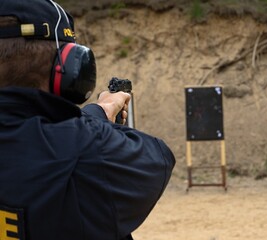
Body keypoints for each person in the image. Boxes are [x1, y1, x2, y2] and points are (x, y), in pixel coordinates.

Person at [0, 0, 175, 240]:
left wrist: (96, 114)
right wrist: (100, 114)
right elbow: (158, 159)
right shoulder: (83, 153)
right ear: (71, 68)